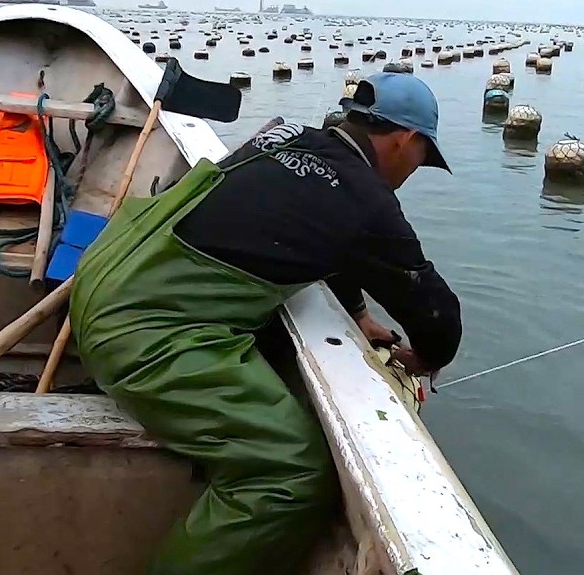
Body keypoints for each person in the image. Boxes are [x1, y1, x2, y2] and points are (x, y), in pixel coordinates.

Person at [69, 72, 463, 575]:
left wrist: (359, 315)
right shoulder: (366, 197)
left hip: (102, 273)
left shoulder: (287, 138)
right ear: (406, 139)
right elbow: (433, 311)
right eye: (422, 158)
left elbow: (323, 240)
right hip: (142, 332)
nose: (414, 171)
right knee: (289, 472)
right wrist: (428, 357)